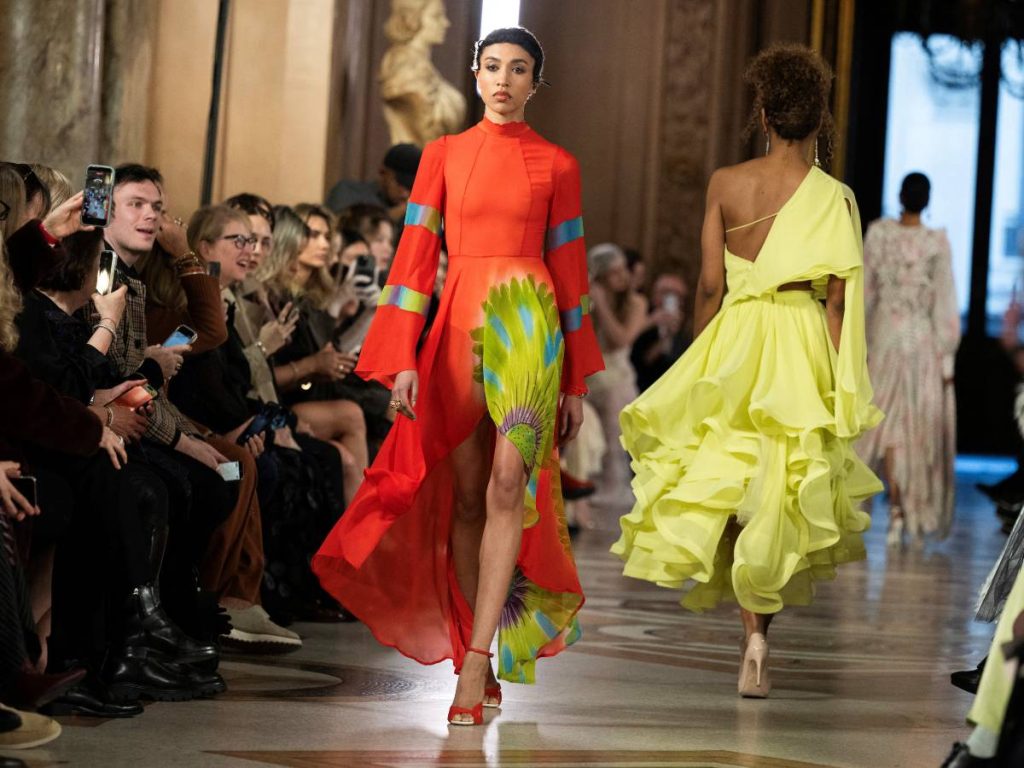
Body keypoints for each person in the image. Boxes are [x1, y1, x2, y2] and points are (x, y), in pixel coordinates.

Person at [313, 26, 603, 726]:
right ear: (475, 76)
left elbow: (570, 276)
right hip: (457, 333)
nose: (504, 79)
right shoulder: (441, 156)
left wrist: (575, 381)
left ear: (537, 82)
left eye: (520, 69)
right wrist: (402, 357)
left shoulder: (558, 165)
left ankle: (477, 661)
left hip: (529, 329)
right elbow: (413, 261)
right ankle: (478, 643)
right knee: (469, 499)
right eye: (493, 66)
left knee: (510, 484)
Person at [612, 44, 883, 699]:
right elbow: (841, 303)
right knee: (782, 490)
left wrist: (702, 364)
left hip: (735, 338)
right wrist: (839, 384)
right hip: (798, 343)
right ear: (819, 120)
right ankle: (758, 639)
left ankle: (750, 627)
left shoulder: (725, 183)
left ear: (763, 113)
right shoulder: (836, 199)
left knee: (727, 483)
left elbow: (708, 285)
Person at [858, 172, 960, 547]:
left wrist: (856, 345)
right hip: (919, 344)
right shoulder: (936, 242)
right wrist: (947, 359)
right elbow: (945, 301)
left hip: (884, 338)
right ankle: (901, 510)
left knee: (881, 426)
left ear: (900, 197)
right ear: (926, 200)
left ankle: (895, 508)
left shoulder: (878, 235)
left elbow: (865, 294)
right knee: (908, 431)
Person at [586, 243, 647, 510]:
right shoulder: (586, 300)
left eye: (624, 270)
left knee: (613, 439)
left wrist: (602, 307)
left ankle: (611, 489)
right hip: (588, 377)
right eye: (614, 272)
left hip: (616, 378)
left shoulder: (636, 302)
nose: (623, 277)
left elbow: (621, 339)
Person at [326, 144, 422, 239]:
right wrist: (395, 214)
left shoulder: (411, 213)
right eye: (400, 183)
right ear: (383, 172)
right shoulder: (348, 192)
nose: (405, 193)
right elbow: (340, 229)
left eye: (411, 186)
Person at [630, 272, 692, 392]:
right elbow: (638, 360)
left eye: (677, 295)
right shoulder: (642, 319)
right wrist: (651, 323)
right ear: (654, 295)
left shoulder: (687, 328)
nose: (671, 299)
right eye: (666, 293)